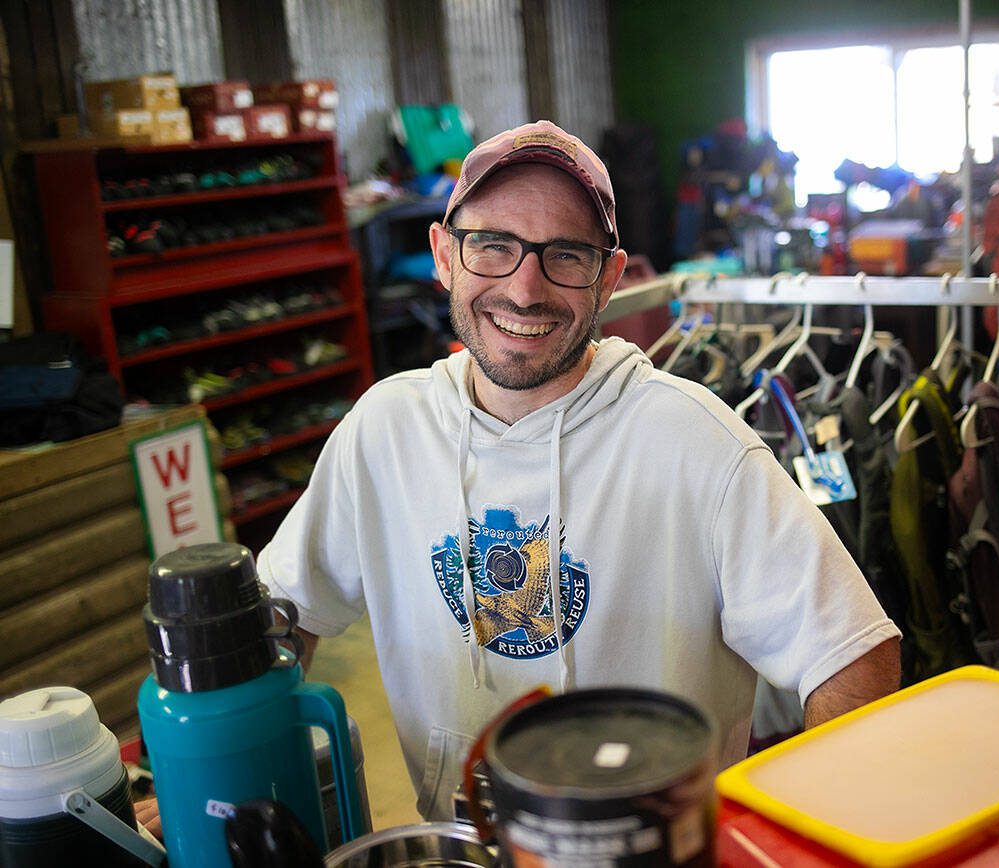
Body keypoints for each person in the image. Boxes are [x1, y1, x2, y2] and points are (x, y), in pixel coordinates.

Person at [259, 120, 900, 821]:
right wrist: (223, 759)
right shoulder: (384, 430)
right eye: (493, 245)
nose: (525, 289)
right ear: (444, 255)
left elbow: (853, 656)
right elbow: (284, 613)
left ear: (609, 279)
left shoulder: (699, 444)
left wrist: (795, 837)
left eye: (565, 254)